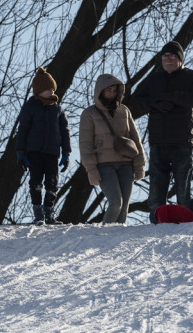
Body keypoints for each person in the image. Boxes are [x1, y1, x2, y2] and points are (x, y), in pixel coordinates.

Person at [127, 41, 193, 220]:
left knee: (183, 188)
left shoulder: (191, 76)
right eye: (165, 56)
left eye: (172, 56)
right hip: (158, 141)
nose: (168, 59)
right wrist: (154, 103)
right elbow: (135, 101)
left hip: (183, 141)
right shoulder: (154, 79)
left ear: (180, 59)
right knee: (156, 187)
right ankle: (156, 221)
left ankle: (186, 220)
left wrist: (174, 97)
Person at [79, 74, 146, 224]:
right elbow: (85, 144)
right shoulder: (89, 114)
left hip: (126, 164)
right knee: (116, 203)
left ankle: (115, 243)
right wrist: (91, 169)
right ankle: (103, 237)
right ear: (100, 91)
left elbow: (136, 139)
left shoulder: (124, 111)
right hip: (104, 165)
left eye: (115, 90)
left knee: (124, 208)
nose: (112, 93)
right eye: (108, 90)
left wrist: (139, 165)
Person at [16, 68, 72, 225]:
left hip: (52, 152)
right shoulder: (30, 108)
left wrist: (66, 152)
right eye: (48, 88)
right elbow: (23, 130)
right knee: (36, 182)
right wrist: (20, 153)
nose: (52, 91)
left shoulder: (58, 110)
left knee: (52, 182)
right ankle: (38, 214)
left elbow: (65, 131)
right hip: (33, 152)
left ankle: (49, 213)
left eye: (53, 88)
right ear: (39, 91)